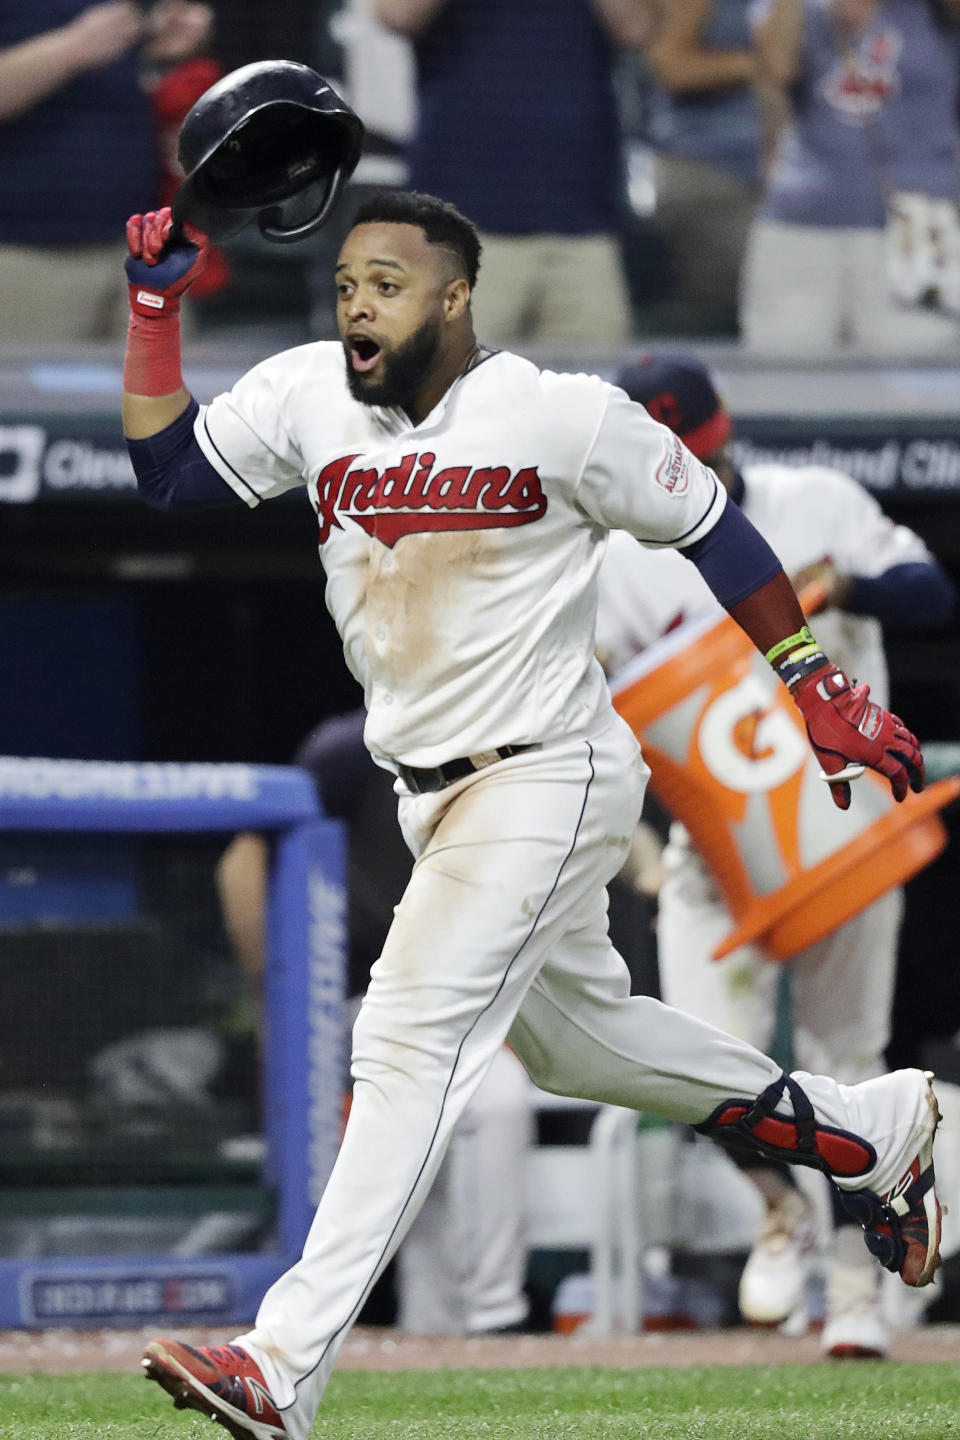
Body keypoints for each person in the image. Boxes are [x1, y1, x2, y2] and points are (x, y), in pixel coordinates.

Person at [122, 187, 939, 1440]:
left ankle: (279, 1364)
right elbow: (169, 476)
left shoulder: (560, 415)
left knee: (400, 1037)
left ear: (454, 295)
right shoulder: (307, 398)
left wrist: (812, 682)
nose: (358, 306)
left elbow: (718, 528)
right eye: (346, 284)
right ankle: (875, 1131)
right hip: (428, 795)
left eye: (387, 284)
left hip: (546, 770)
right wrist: (153, 307)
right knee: (580, 1047)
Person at [596, 350, 956, 1357]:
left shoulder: (817, 499)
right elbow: (587, 717)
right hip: (717, 856)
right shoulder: (618, 559)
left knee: (852, 1068)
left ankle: (854, 1292)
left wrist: (847, 584)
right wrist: (644, 857)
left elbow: (932, 595)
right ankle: (778, 1207)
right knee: (689, 1067)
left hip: (844, 832)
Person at [216, 709, 532, 1336]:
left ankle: (442, 1332)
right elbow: (243, 860)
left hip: (442, 991)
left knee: (468, 1115)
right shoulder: (350, 747)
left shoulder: (501, 739)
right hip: (343, 998)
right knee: (490, 1098)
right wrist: (272, 998)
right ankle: (494, 1317)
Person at [373, 0, 651, 345]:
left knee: (595, 394)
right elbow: (397, 14)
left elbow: (639, 28)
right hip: (459, 225)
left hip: (582, 221)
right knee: (448, 393)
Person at [739, 0, 960, 355]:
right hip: (802, 222)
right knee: (784, 380)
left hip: (922, 221)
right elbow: (778, 67)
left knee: (921, 384)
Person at [0, 0, 213, 341]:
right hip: (27, 254)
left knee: (166, 391)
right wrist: (72, 47)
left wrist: (161, 53)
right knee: (30, 392)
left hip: (144, 251)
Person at [641, 0, 762, 326]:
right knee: (719, 322)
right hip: (710, 173)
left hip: (771, 179)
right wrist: (765, 63)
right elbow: (669, 64)